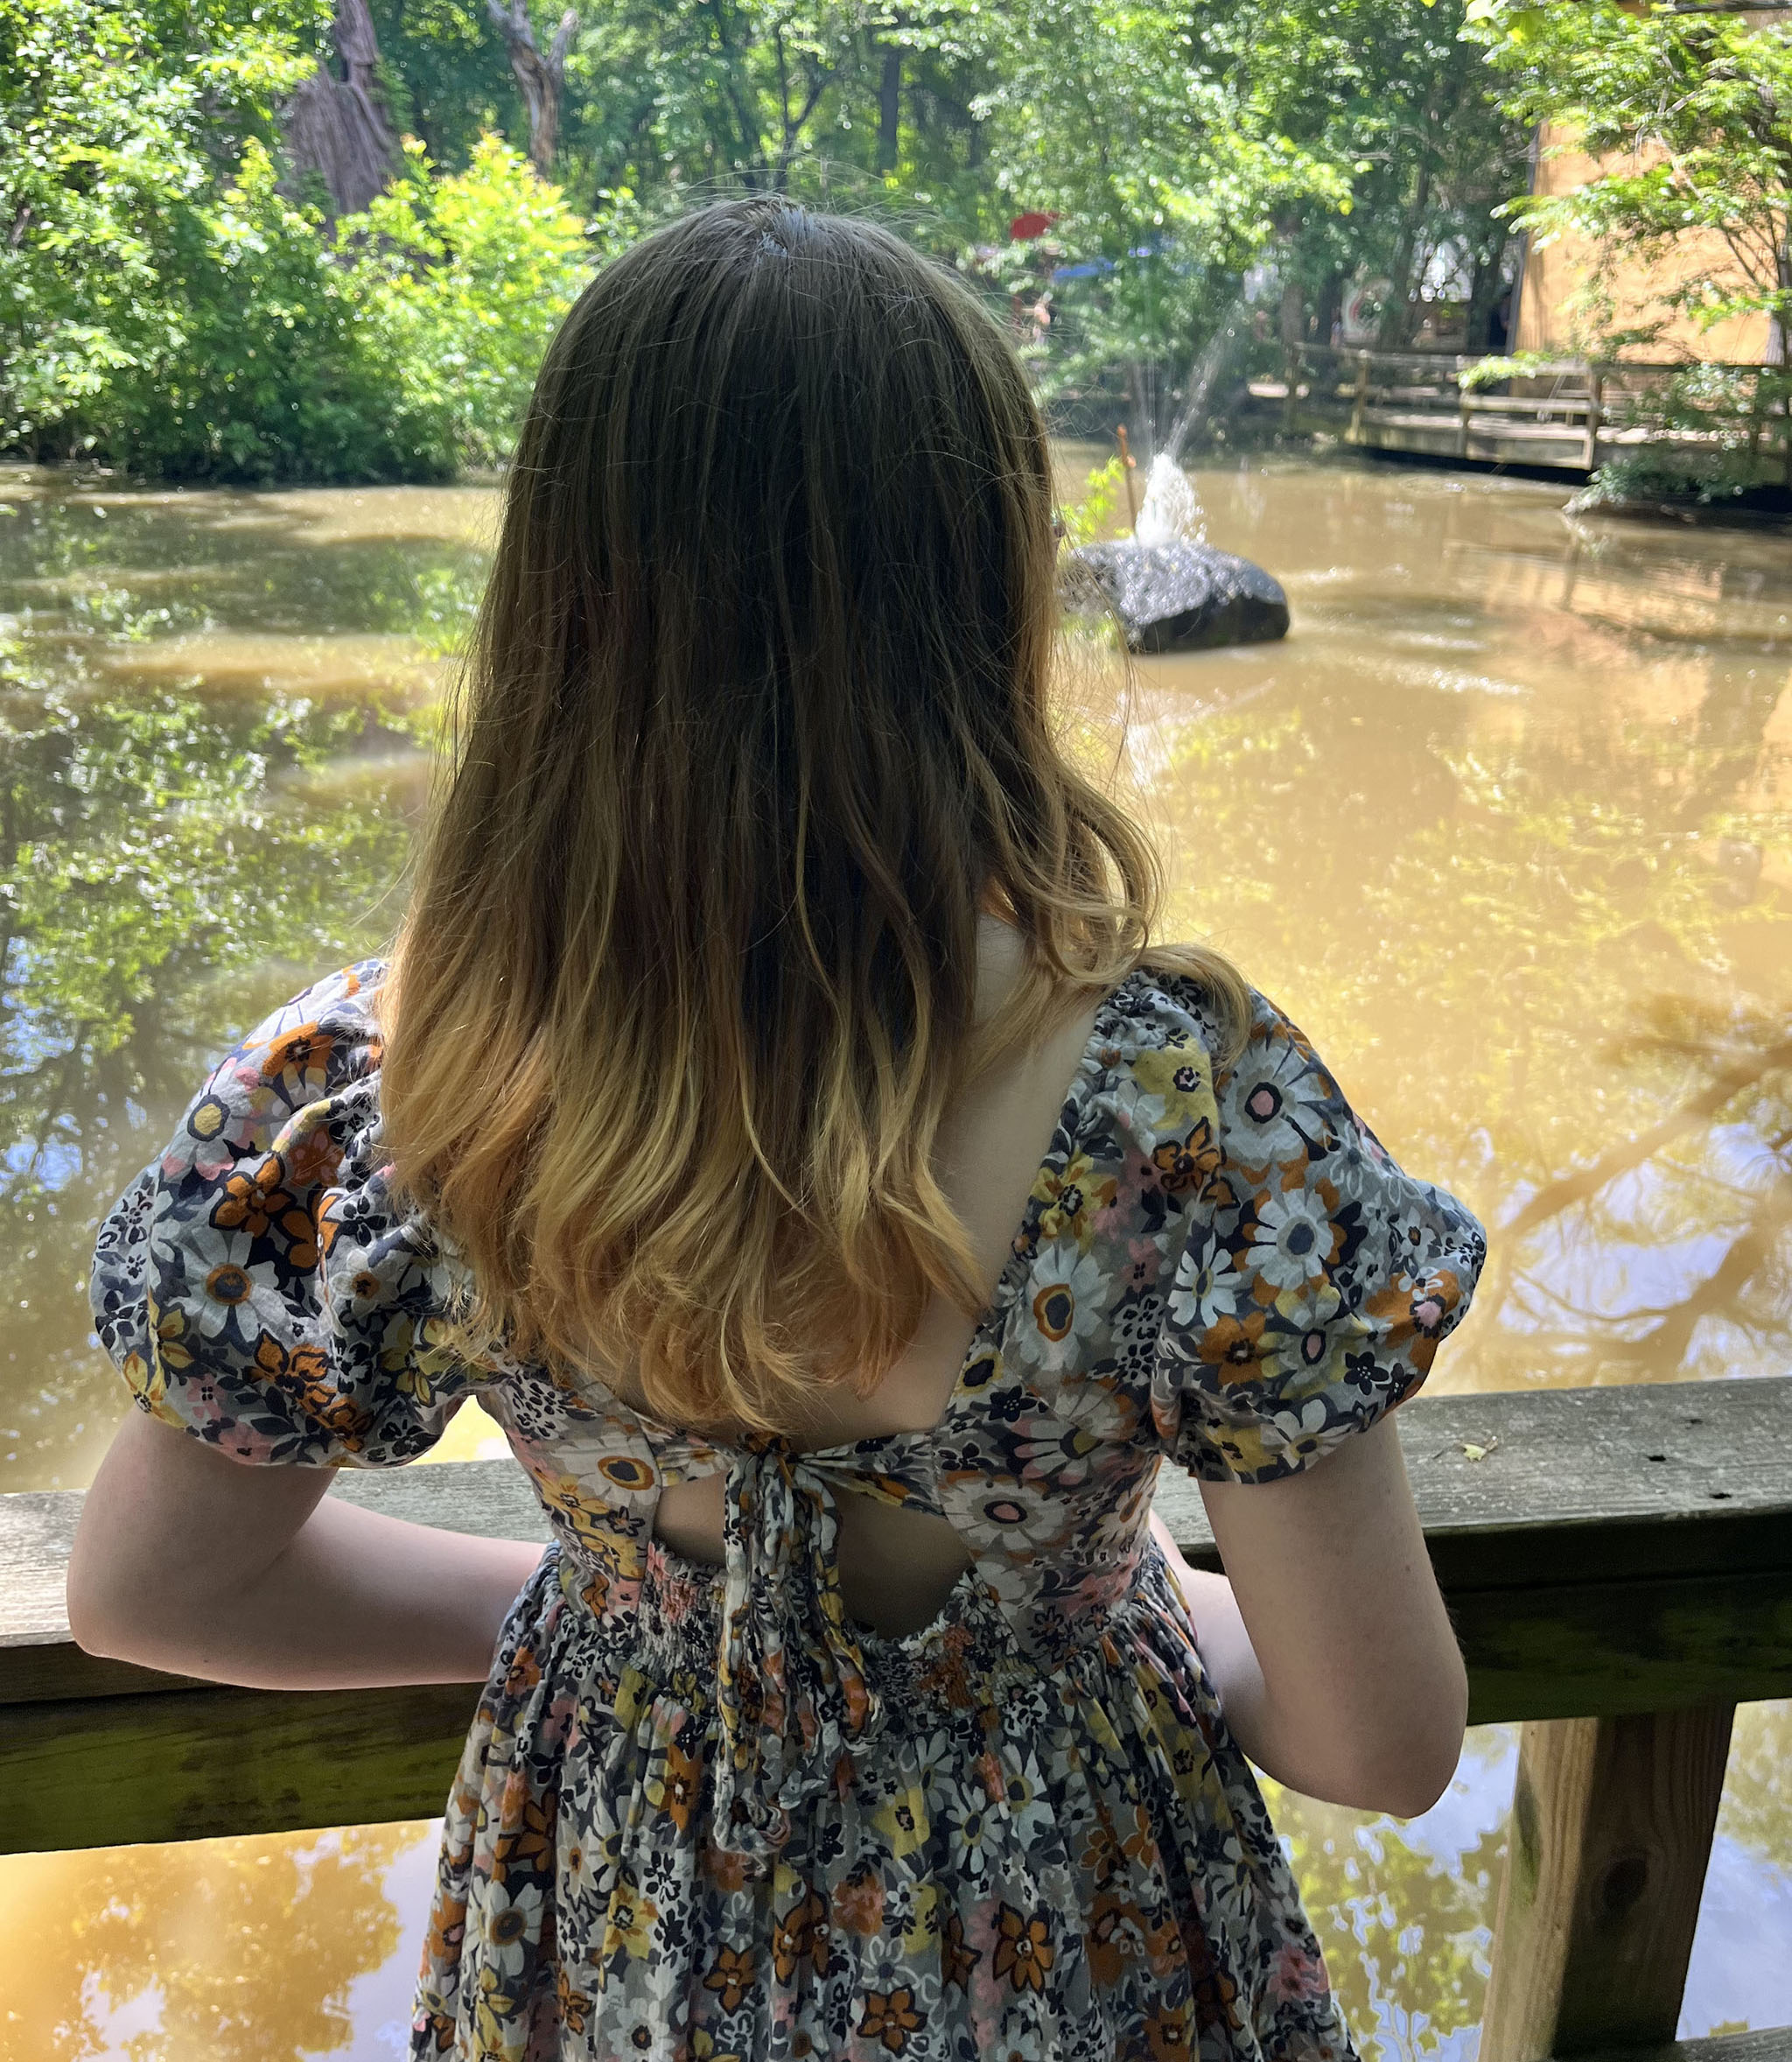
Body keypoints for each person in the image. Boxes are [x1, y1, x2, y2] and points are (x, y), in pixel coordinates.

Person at [67, 200, 1485, 2062]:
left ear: (562, 601)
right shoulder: (1186, 1108)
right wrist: (1140, 1612)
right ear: (986, 586)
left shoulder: (392, 1081)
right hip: (1073, 1947)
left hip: (623, 1920)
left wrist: (632, 1611)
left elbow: (152, 1584)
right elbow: (1374, 1739)